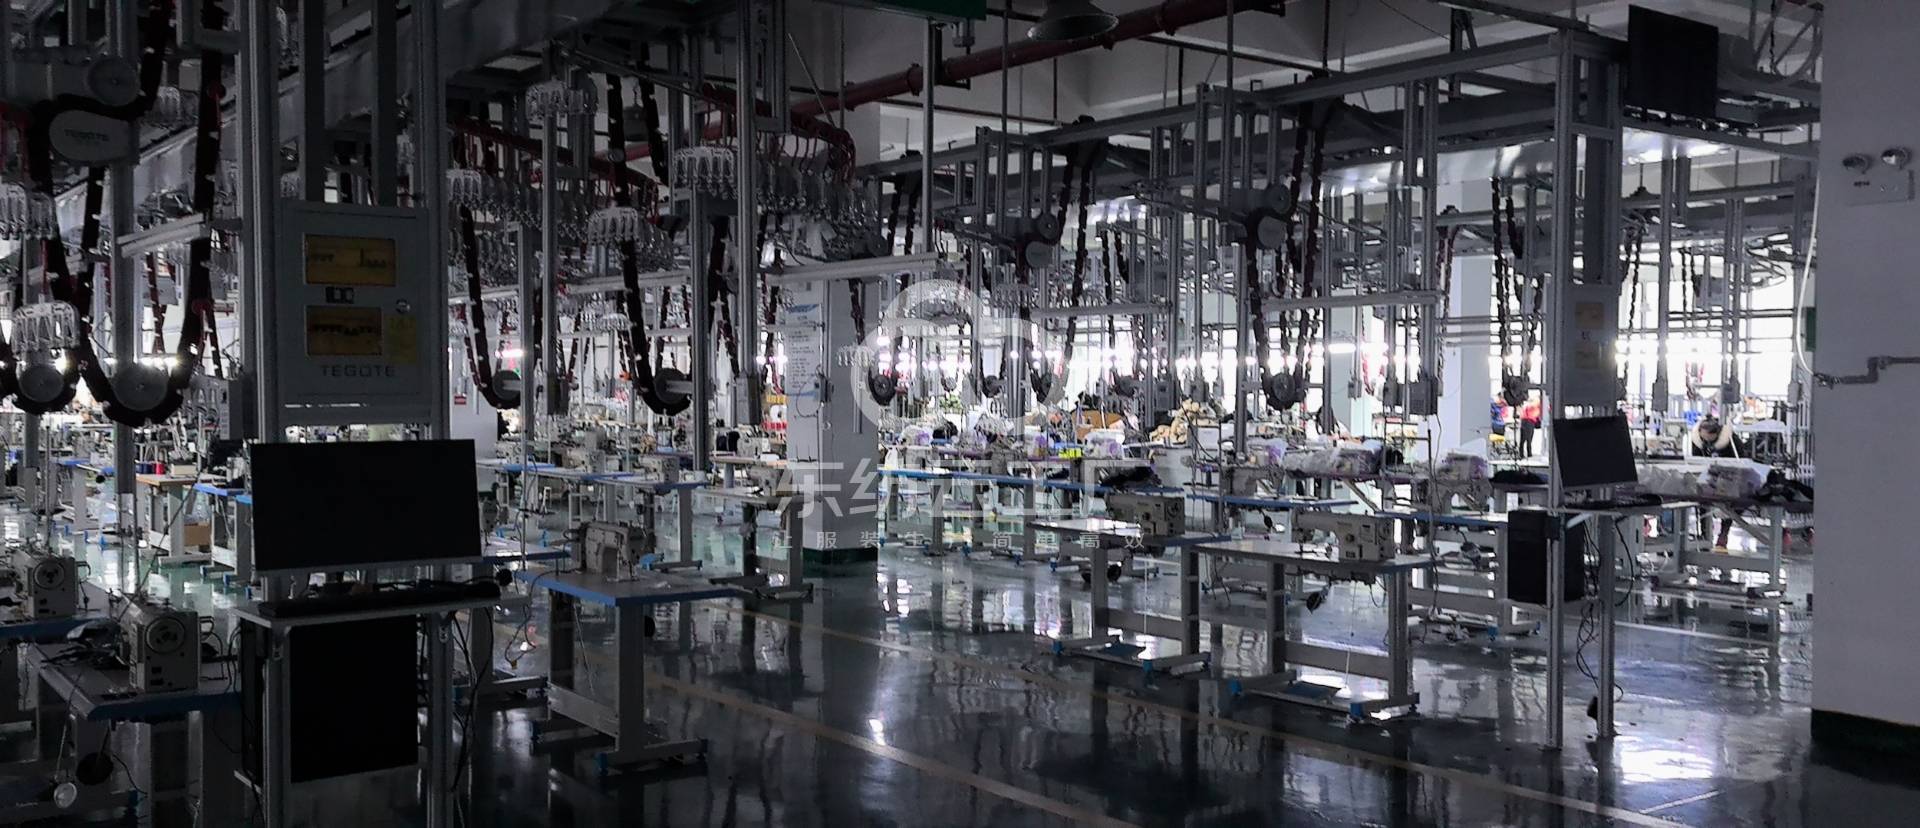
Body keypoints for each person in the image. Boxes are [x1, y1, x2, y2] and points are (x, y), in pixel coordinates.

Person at [1690, 416, 1741, 549]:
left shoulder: (1732, 441)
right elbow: (1694, 461)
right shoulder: (1697, 441)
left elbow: (1741, 462)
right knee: (1702, 501)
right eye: (1704, 440)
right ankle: (1705, 533)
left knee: (1730, 504)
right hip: (1706, 477)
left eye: (1710, 440)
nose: (1707, 443)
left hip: (1728, 477)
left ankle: (1724, 533)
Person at [1518, 393, 1542, 457]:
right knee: (1529, 438)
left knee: (1522, 439)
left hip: (1524, 420)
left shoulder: (1527, 404)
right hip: (1530, 421)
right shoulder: (1536, 404)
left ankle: (1521, 453)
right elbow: (1537, 413)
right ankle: (1529, 453)